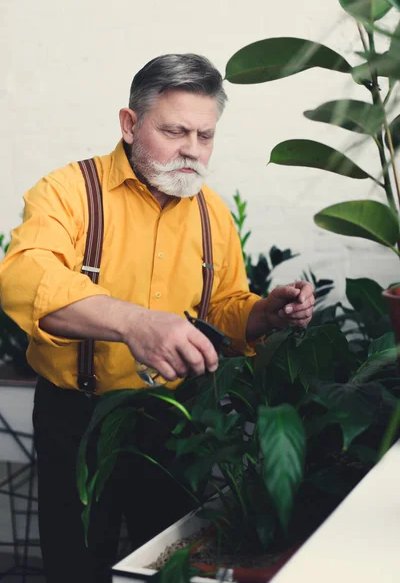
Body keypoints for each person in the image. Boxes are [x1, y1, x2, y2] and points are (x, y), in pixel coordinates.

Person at [0, 53, 315, 583]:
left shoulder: (212, 211)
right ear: (129, 124)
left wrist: (263, 313)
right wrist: (134, 322)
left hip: (175, 419)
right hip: (77, 420)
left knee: (170, 561)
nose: (192, 150)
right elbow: (23, 278)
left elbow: (222, 306)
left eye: (205, 135)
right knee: (76, 564)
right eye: (174, 131)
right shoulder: (68, 192)